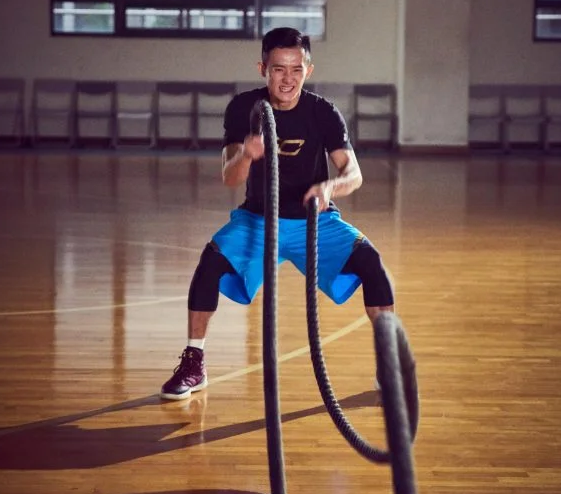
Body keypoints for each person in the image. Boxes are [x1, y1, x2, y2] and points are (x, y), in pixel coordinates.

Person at [160, 26, 395, 400]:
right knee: (210, 263)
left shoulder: (323, 112)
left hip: (314, 222)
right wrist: (246, 155)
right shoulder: (244, 108)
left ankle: (388, 363)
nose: (288, 79)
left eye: (296, 69)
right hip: (257, 220)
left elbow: (354, 174)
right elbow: (230, 177)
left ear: (308, 70)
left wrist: (329, 188)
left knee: (372, 264)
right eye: (278, 69)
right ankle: (194, 363)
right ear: (263, 69)